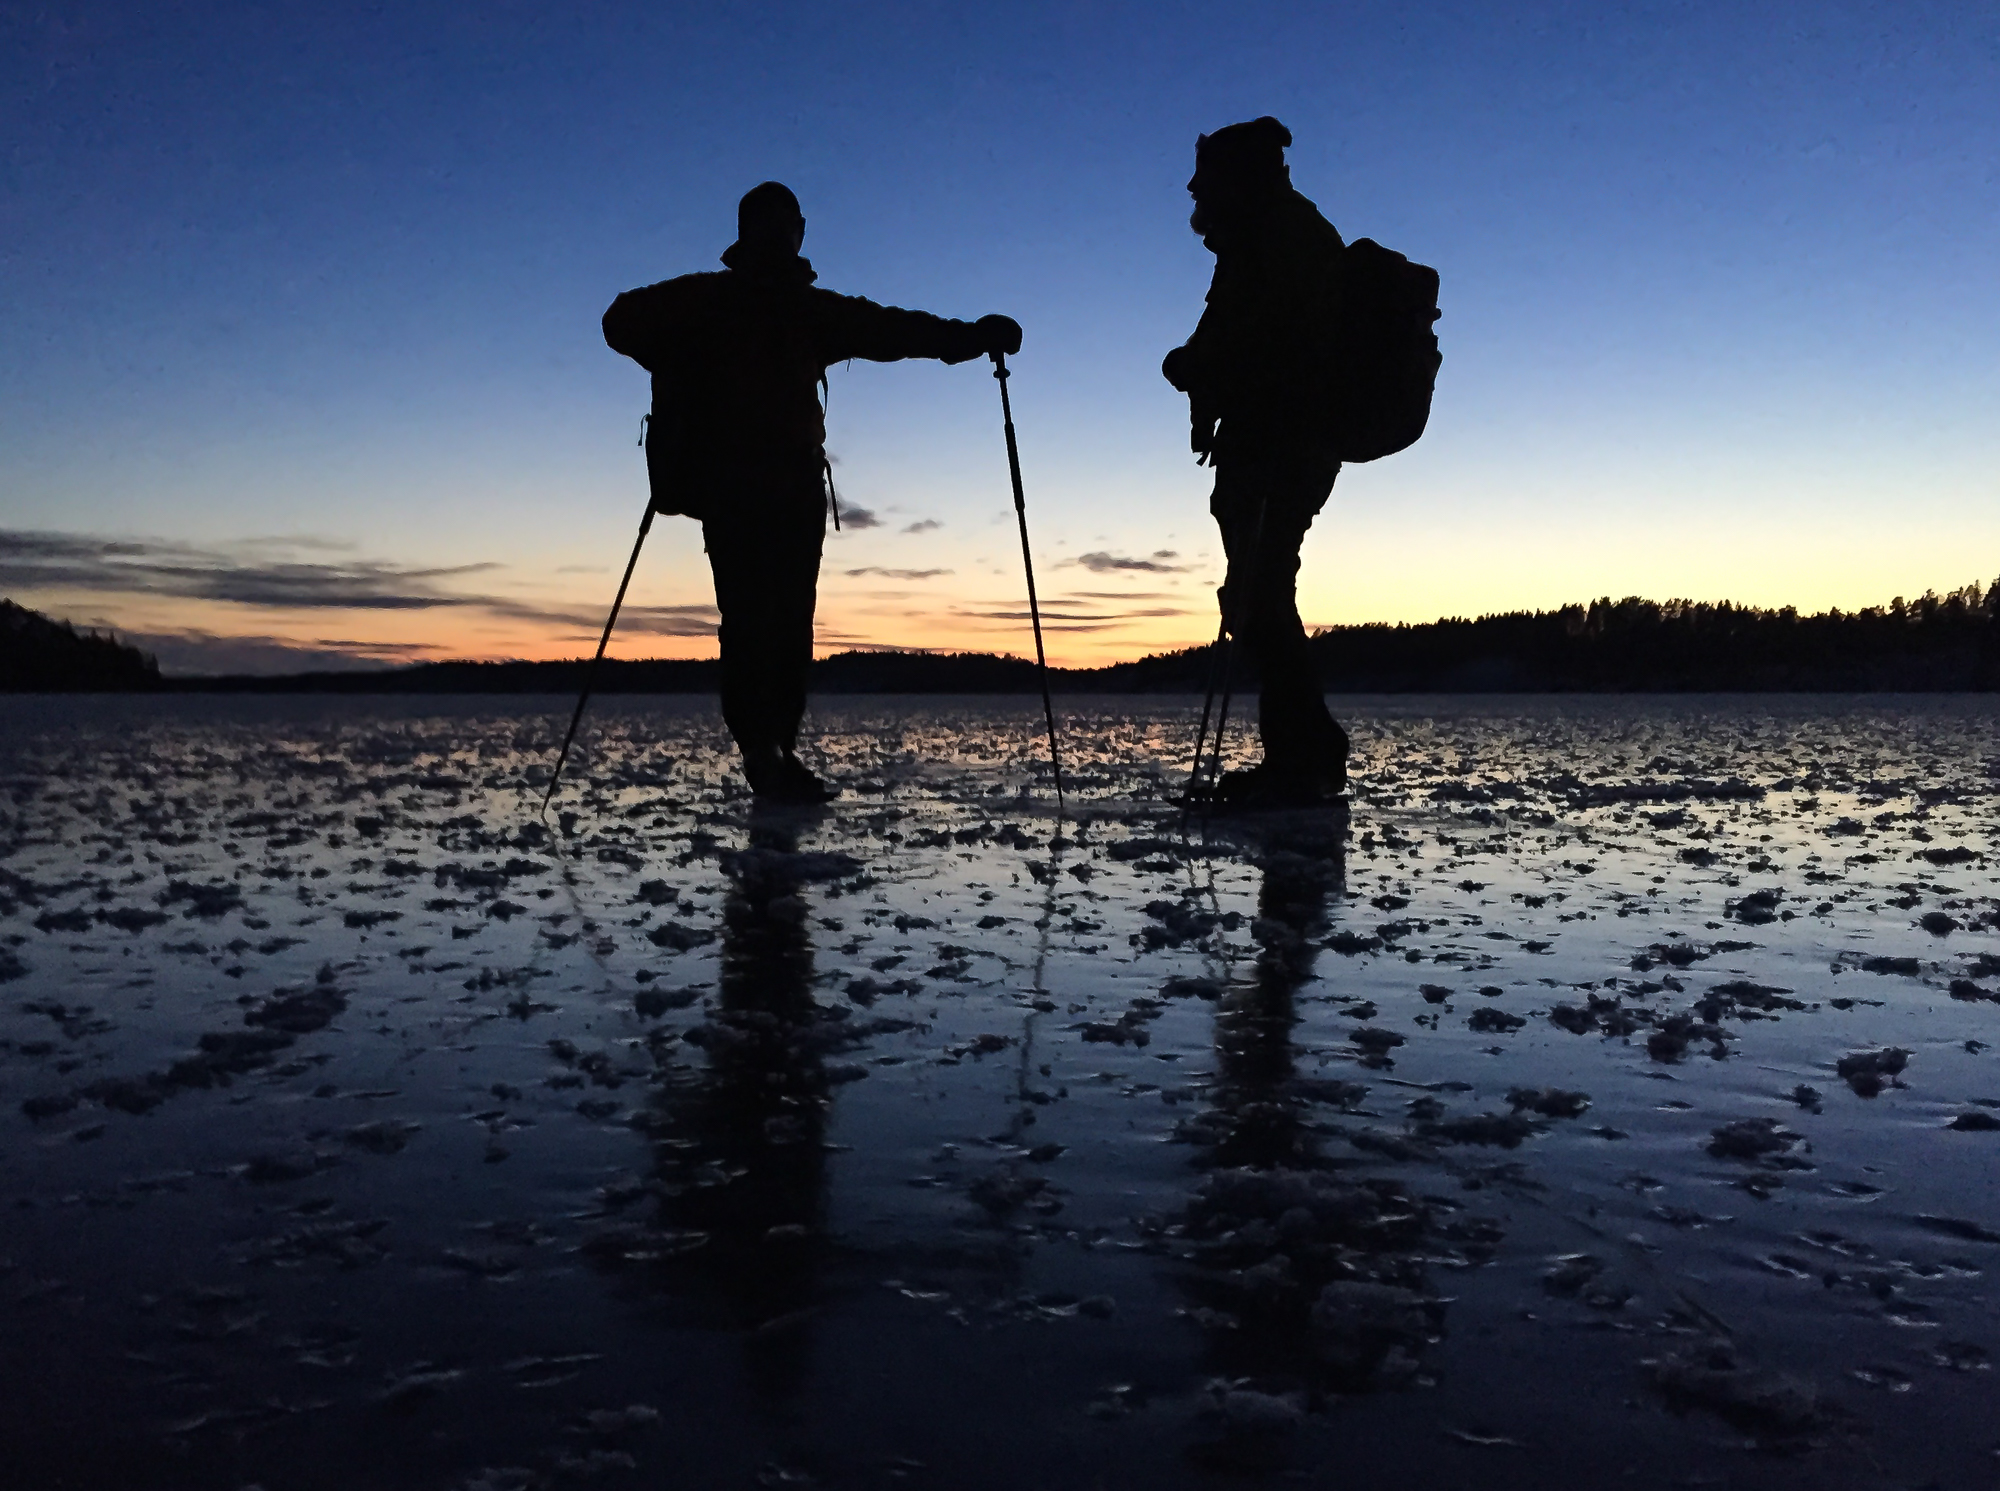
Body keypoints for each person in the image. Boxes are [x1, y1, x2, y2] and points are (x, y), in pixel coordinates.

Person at [604, 182, 1020, 802]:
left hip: (780, 490)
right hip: (746, 490)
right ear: (767, 232)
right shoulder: (727, 303)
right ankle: (764, 750)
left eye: (787, 227)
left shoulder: (776, 306)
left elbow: (893, 330)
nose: (783, 237)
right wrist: (680, 361)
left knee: (777, 623)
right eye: (776, 227)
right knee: (759, 622)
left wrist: (969, 338)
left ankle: (773, 750)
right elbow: (620, 322)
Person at [1162, 117, 1351, 807]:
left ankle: (1305, 760)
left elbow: (1267, 345)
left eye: (1205, 177)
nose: (1193, 190)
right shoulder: (1256, 240)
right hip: (1264, 444)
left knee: (1261, 596)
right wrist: (1196, 371)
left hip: (1283, 445)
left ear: (1239, 177)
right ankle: (1301, 757)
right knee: (1258, 595)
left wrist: (1194, 367)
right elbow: (1228, 335)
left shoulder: (1283, 238)